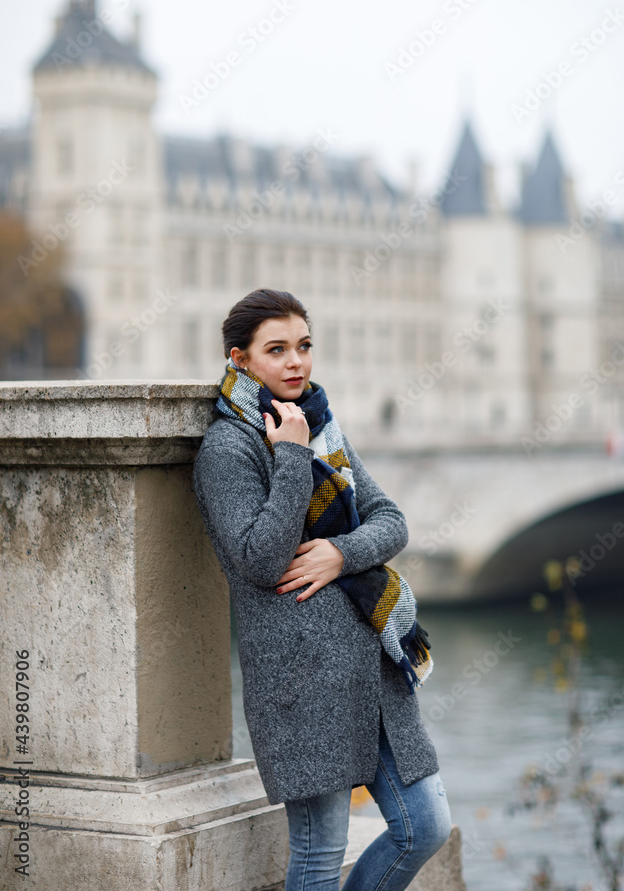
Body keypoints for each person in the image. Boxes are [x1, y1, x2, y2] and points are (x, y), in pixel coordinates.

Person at [192, 287, 452, 891]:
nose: (296, 363)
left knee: (427, 827)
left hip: (372, 669)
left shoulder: (319, 426)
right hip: (302, 685)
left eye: (304, 347)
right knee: (316, 856)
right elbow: (260, 559)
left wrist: (340, 552)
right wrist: (289, 456)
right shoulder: (227, 450)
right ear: (239, 360)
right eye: (277, 349)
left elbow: (392, 520)